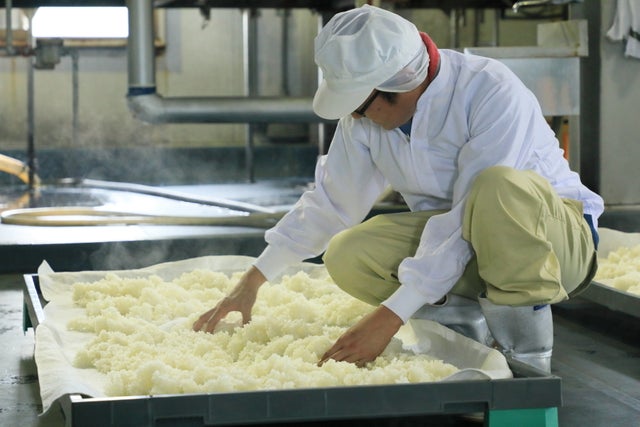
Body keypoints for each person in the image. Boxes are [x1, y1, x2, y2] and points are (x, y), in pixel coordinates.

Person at [194, 5, 603, 374]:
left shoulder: (489, 89)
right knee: (348, 253)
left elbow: (466, 215)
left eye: (360, 105)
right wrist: (252, 281)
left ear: (403, 83)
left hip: (552, 243)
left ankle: (526, 362)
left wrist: (388, 318)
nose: (356, 116)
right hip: (468, 247)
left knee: (497, 187)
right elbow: (332, 202)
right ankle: (462, 336)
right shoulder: (365, 120)